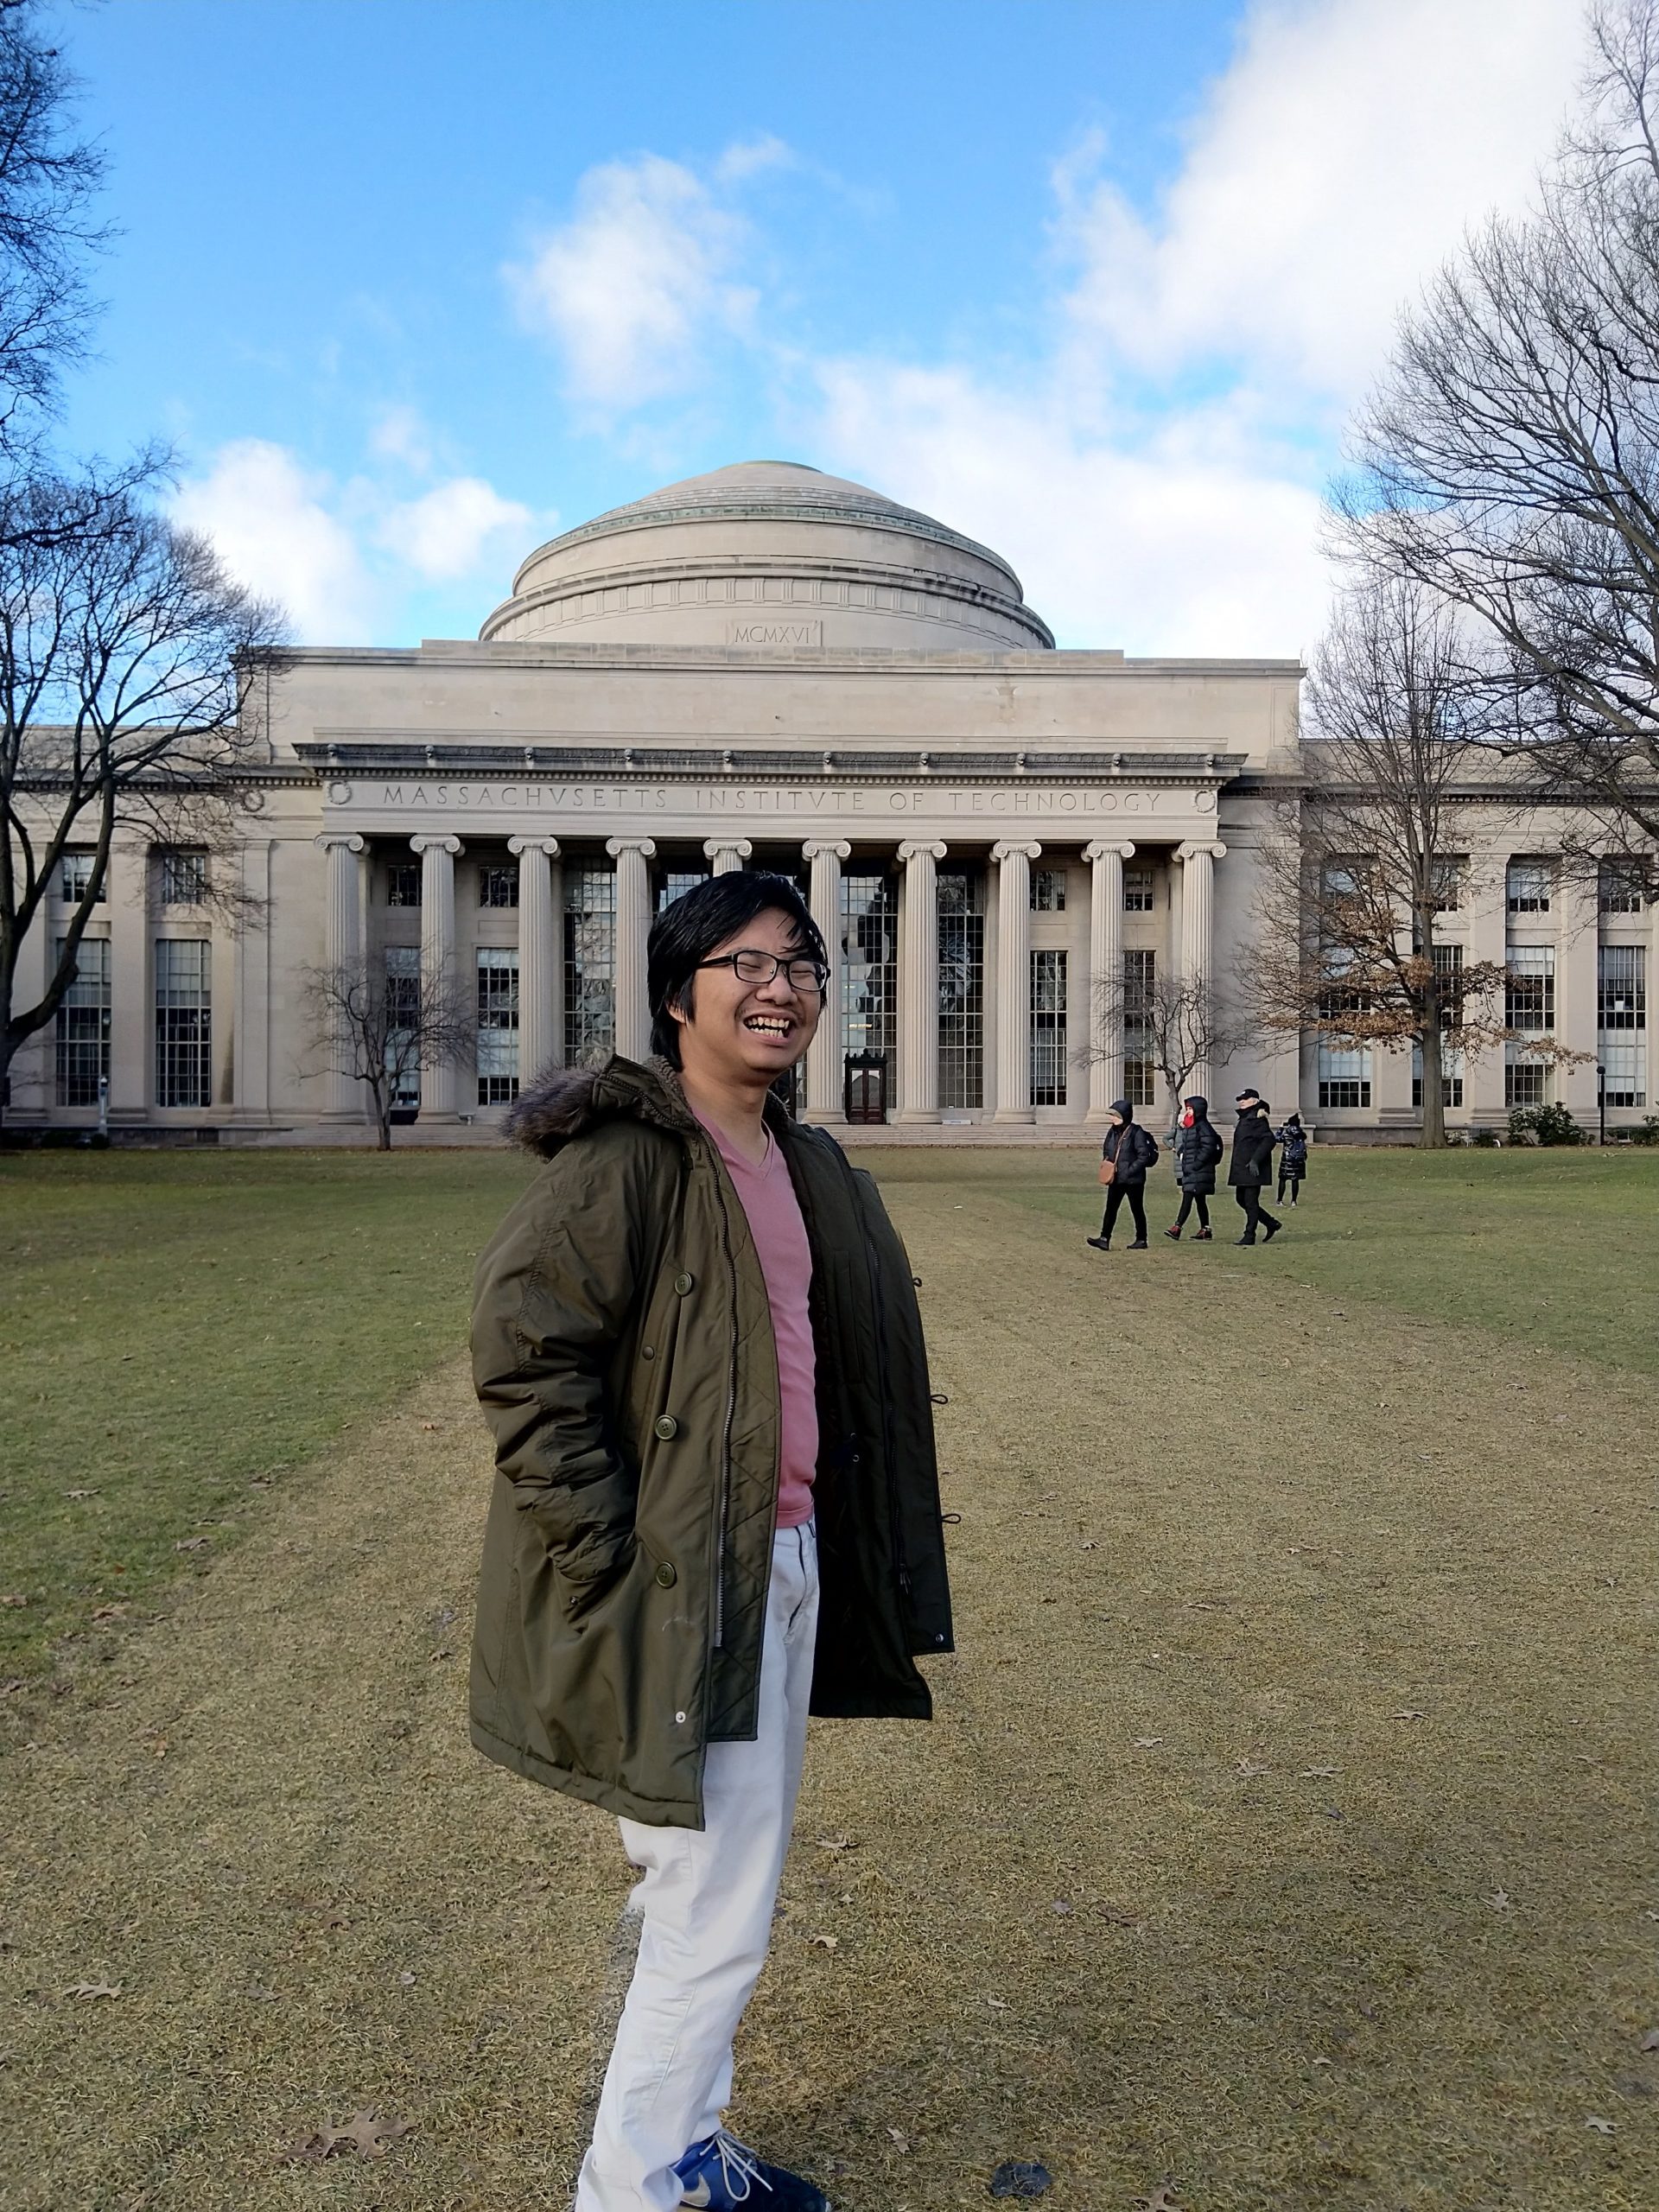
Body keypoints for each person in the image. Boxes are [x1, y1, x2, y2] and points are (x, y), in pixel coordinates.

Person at [468, 872, 952, 2212]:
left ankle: (686, 2149)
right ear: (679, 992)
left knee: (715, 1895)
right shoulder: (629, 1159)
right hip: (696, 1582)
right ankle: (635, 2191)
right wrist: (612, 1557)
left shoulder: (800, 1161)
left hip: (784, 1559)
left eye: (801, 963)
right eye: (745, 963)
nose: (780, 986)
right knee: (713, 1911)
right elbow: (524, 1352)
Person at [1085, 1099, 1159, 1251]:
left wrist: (1129, 1170)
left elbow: (1143, 1155)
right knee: (1111, 1208)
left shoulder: (1136, 1132)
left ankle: (1141, 1239)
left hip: (1133, 1180)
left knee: (1137, 1209)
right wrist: (1108, 1163)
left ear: (1124, 1116)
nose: (1112, 1118)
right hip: (1116, 1178)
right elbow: (1107, 1148)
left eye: (1115, 1115)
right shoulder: (1112, 1131)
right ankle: (1104, 1238)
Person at [1165, 1093, 1224, 1240]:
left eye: (1190, 1109)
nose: (1188, 1111)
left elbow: (1208, 1147)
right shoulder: (1193, 1126)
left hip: (1198, 1170)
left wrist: (1196, 1164)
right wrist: (1181, 1154)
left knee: (1188, 1197)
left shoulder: (1203, 1127)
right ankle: (1206, 1230)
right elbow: (1187, 1145)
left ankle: (1177, 1227)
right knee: (1199, 1200)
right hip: (1192, 1169)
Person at [1228, 1087, 1282, 1245]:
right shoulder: (1245, 1118)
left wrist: (1255, 1160)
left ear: (1254, 1101)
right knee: (1241, 1199)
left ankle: (1249, 1235)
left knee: (1251, 1202)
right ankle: (1271, 1223)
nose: (1241, 1102)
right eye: (1240, 1100)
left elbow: (1269, 1140)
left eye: (1244, 1099)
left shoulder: (1258, 1119)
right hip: (1242, 1167)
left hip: (1253, 1168)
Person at [1274, 1110, 1309, 1205]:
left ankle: (1279, 1200)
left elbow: (1277, 1139)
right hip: (1298, 1159)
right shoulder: (1301, 1134)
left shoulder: (1287, 1132)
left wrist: (1280, 1129)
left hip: (1287, 1158)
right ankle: (1294, 1200)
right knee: (1295, 1179)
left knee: (1283, 1179)